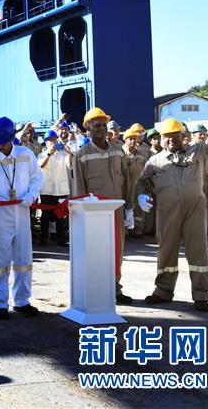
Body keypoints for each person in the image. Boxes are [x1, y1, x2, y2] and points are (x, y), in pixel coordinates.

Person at [137, 112, 208, 311]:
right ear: (161, 138)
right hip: (167, 213)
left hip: (194, 212)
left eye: (175, 135)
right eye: (167, 136)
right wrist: (141, 196)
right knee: (166, 251)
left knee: (198, 252)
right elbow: (142, 182)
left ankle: (201, 295)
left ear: (183, 136)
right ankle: (163, 291)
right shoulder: (155, 161)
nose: (171, 139)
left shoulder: (198, 152)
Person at [0, 116, 44, 319]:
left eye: (3, 142)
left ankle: (22, 301)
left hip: (22, 210)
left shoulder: (25, 154)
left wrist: (32, 194)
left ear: (12, 138)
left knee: (24, 258)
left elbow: (37, 177)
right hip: (1, 213)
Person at [71, 107, 132, 304]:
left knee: (117, 251)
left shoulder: (118, 151)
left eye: (104, 125)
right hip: (94, 214)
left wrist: (129, 207)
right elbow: (78, 188)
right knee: (96, 252)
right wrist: (79, 215)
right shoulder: (81, 155)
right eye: (97, 126)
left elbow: (126, 180)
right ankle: (96, 288)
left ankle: (115, 288)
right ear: (88, 129)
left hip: (117, 211)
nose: (101, 129)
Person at [37, 130, 71, 246]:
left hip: (60, 190)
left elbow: (71, 164)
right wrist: (49, 153)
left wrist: (69, 152)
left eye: (54, 140)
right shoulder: (41, 155)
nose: (52, 142)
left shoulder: (63, 154)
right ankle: (44, 238)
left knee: (60, 216)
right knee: (45, 215)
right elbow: (41, 165)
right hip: (46, 190)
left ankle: (60, 238)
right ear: (46, 142)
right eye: (50, 140)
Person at [121, 127, 148, 239]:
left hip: (138, 185)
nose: (133, 141)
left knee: (138, 206)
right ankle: (125, 231)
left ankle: (137, 230)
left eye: (134, 139)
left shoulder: (140, 154)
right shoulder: (122, 153)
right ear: (125, 140)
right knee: (125, 206)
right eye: (130, 139)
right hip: (126, 185)